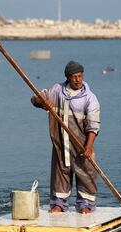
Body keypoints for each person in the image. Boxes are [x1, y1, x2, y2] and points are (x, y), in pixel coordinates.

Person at [31, 60, 101, 214]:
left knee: (86, 174)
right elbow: (35, 98)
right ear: (68, 77)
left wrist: (88, 147)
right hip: (60, 144)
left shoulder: (90, 98)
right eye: (74, 77)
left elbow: (93, 125)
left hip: (81, 145)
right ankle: (59, 204)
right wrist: (43, 102)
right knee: (60, 173)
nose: (78, 80)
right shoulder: (56, 90)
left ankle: (86, 204)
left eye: (80, 76)